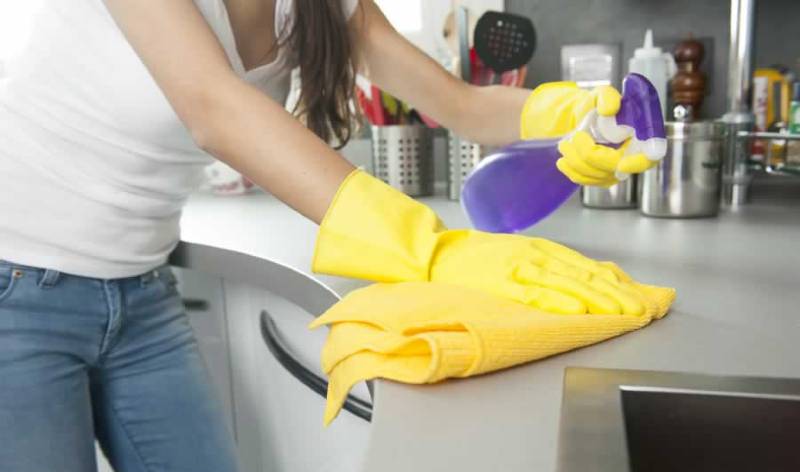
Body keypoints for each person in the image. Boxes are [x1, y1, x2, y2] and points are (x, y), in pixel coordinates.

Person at [0, 1, 661, 471]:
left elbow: (462, 105)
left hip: (140, 291)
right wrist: (425, 248)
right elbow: (214, 108)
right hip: (17, 291)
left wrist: (577, 112)